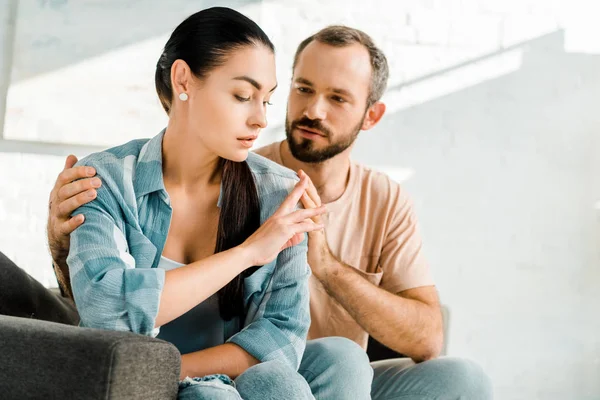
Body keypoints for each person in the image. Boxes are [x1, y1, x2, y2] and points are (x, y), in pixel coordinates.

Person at [47, 24, 492, 399]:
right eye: (302, 89)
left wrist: (327, 266)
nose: (309, 110)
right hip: (218, 369)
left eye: (338, 98)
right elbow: (103, 310)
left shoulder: (354, 195)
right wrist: (61, 241)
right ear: (183, 81)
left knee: (352, 362)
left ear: (370, 116)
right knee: (290, 372)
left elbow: (419, 337)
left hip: (293, 367)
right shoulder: (111, 176)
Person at [29, 7, 373, 400]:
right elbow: (109, 312)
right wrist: (248, 253)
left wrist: (182, 370)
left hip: (227, 376)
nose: (261, 119)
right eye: (243, 96)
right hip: (131, 384)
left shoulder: (279, 193)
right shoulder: (102, 179)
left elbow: (281, 338)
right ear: (183, 81)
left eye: (267, 100)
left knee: (317, 365)